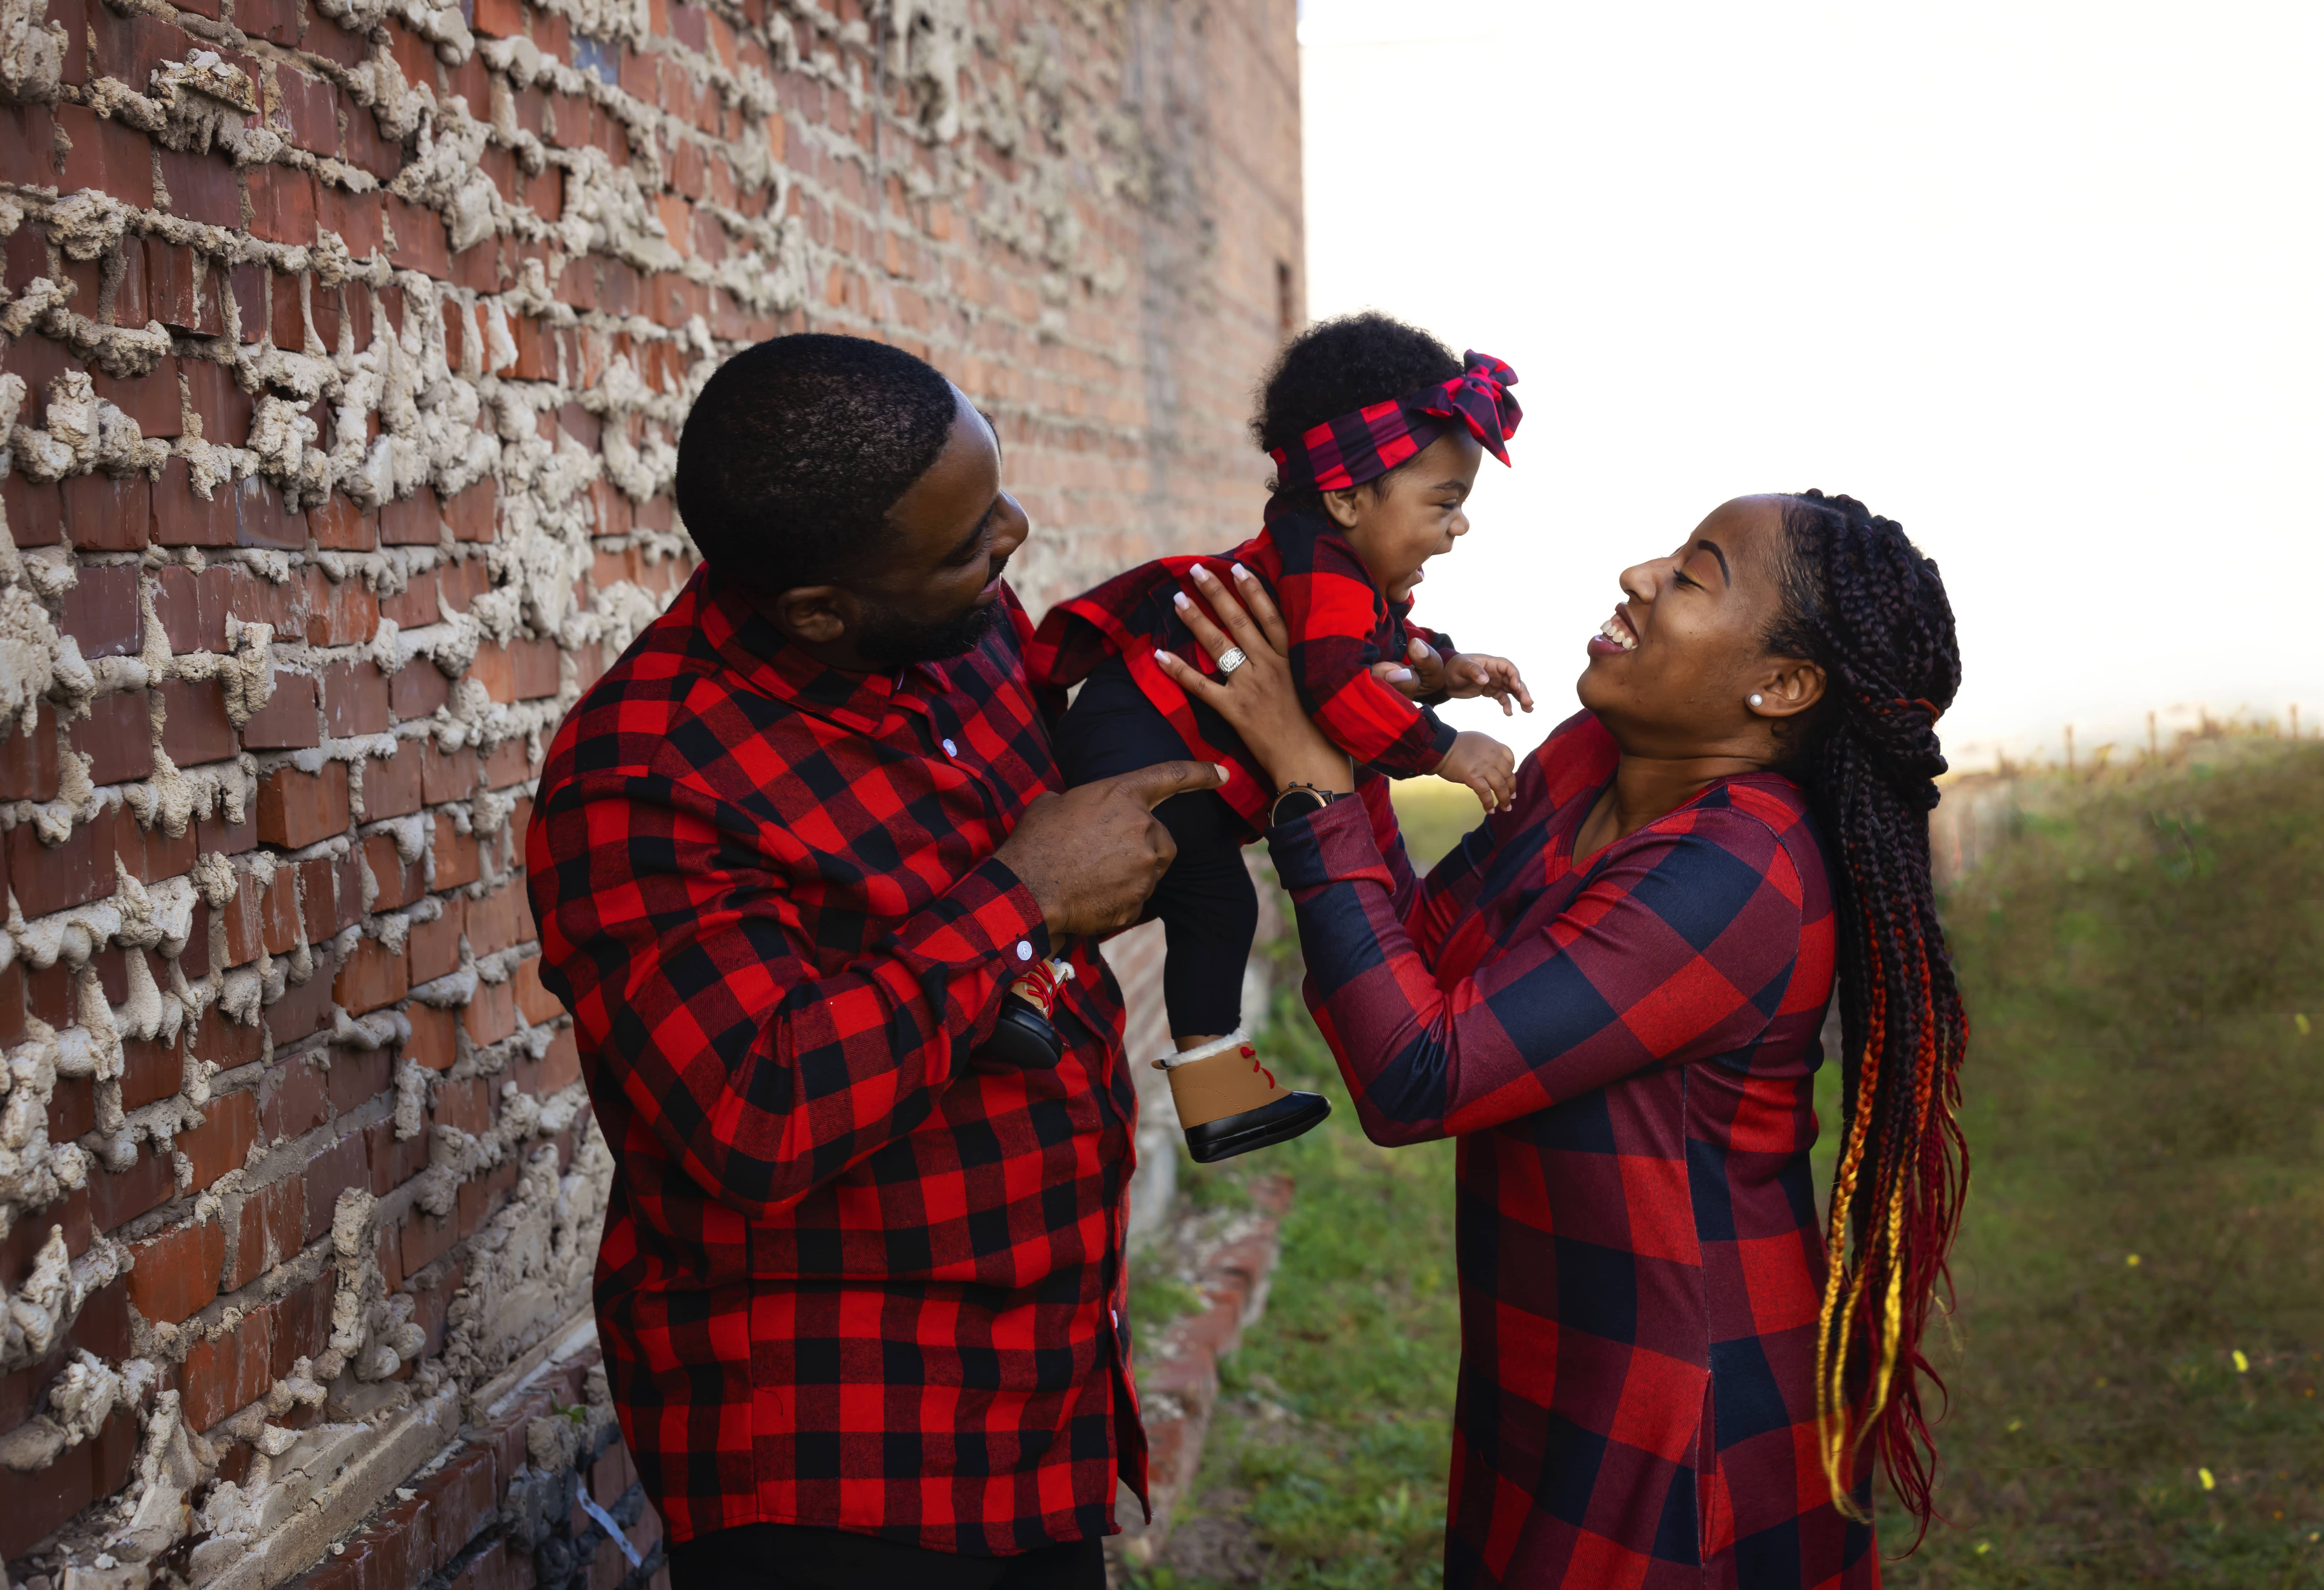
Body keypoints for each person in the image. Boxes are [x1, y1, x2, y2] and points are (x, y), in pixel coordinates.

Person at [1150, 492, 1968, 1588]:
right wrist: (1346, 734)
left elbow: (1415, 1076)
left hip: (1684, 1400)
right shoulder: (1587, 762)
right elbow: (1420, 963)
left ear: (1779, 687)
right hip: (1548, 1346)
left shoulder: (1739, 870)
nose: (1638, 575)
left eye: (1692, 575)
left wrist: (1311, 784)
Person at [527, 334, 1227, 1590]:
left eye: (995, 496)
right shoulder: (645, 778)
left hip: (1034, 1394)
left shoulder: (959, 633)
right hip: (837, 1456)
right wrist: (1023, 896)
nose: (1012, 537)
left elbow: (1052, 877)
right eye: (966, 545)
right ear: (820, 610)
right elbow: (756, 1109)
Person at [1027, 313, 1535, 1161]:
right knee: (1164, 889)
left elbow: (1377, 645)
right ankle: (1048, 991)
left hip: (1156, 748)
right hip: (1141, 740)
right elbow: (1336, 684)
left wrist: (1446, 668)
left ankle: (1147, 1057)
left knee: (1206, 903)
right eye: (1445, 503)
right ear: (1346, 498)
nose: (1460, 526)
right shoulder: (1323, 571)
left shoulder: (1332, 563)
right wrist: (1445, 747)